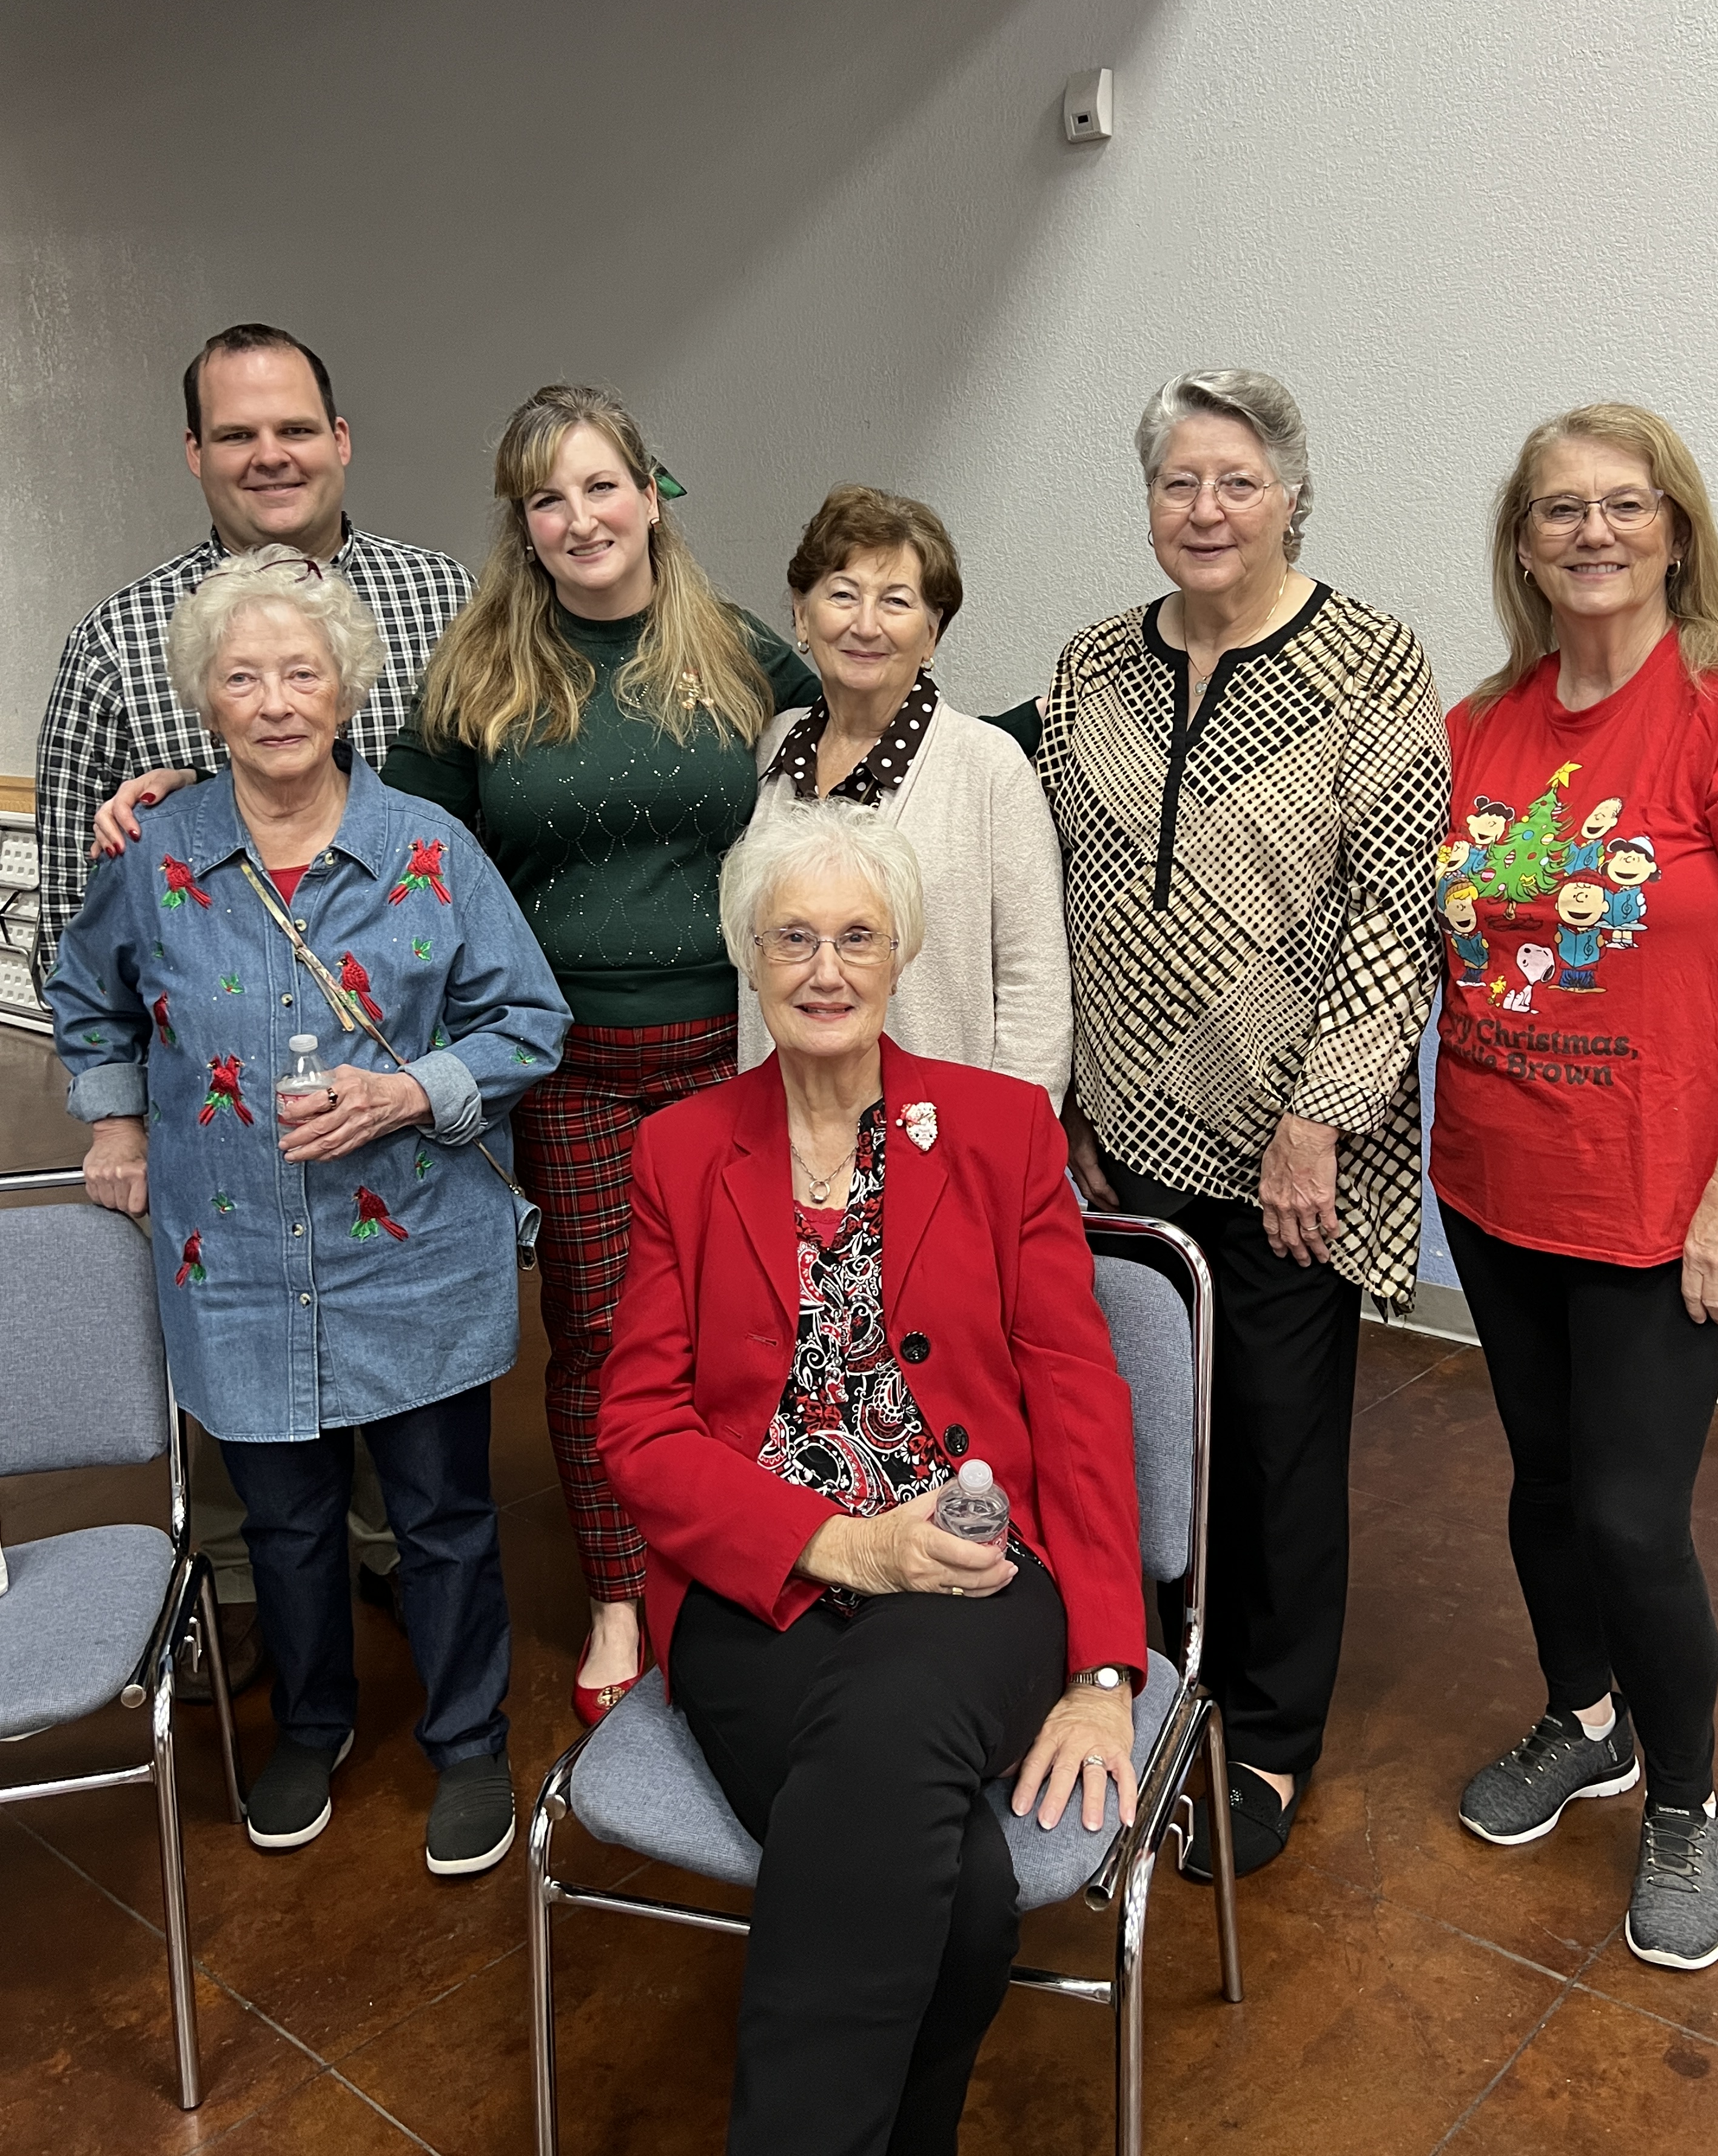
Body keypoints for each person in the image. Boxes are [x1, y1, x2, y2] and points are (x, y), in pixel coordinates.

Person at [600, 801, 1144, 2156]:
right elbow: (640, 1430)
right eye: (793, 937)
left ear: (901, 953)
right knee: (958, 1900)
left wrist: (1102, 1671)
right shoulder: (680, 1149)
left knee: (892, 1738)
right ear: (749, 955)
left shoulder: (1001, 1129)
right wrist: (837, 1546)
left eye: (857, 937)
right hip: (754, 1587)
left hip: (972, 1573)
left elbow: (1078, 1400)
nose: (825, 968)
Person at [47, 551, 568, 1873]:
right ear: (205, 702)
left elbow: (528, 1020)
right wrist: (114, 1119)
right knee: (282, 1521)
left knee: (441, 1516)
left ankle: (467, 1740)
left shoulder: (429, 851)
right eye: (243, 677)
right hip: (234, 1256)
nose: (276, 701)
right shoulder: (159, 854)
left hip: (413, 1250)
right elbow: (89, 993)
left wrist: (407, 1092)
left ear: (346, 688)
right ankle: (312, 1724)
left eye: (300, 672)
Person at [1431, 402, 1718, 1973]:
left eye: (1624, 504)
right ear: (1522, 545)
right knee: (1544, 1485)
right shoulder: (1484, 726)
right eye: (1559, 510)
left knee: (1630, 1514)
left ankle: (1684, 1800)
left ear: (1676, 528)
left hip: (1664, 1202)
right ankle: (1582, 1719)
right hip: (1496, 1179)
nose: (1592, 532)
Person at [1038, 367, 1448, 1880]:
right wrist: (1071, 1093)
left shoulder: (1369, 660)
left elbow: (1396, 914)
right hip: (1120, 1128)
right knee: (1144, 1423)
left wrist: (1320, 1118)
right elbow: (1059, 888)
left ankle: (1268, 1731)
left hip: (1291, 1145)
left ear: (1291, 497)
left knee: (1276, 1439)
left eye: (1237, 482)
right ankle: (1146, 1681)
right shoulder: (1092, 666)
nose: (1205, 510)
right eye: (1178, 483)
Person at [42, 321, 477, 1688]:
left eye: (294, 427)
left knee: (429, 1456)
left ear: (340, 439)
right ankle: (263, 1606)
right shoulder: (119, 643)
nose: (269, 454)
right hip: (232, 1132)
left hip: (404, 1118)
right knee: (263, 1433)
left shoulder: (445, 597)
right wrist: (115, 1112)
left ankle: (401, 1569)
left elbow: (490, 807)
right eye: (236, 433)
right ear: (195, 453)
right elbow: (73, 914)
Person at [381, 384, 818, 1727]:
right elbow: (391, 848)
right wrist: (200, 791)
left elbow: (872, 733)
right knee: (601, 1332)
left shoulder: (733, 648)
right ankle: (622, 1591)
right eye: (547, 498)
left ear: (650, 494)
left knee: (751, 1319)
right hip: (565, 1062)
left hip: (734, 1048)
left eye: (600, 486)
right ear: (521, 524)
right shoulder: (478, 674)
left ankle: (740, 1560)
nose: (579, 519)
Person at [738, 483, 1072, 1103]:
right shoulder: (771, 752)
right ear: (802, 615)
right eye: (843, 595)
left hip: (945, 1132)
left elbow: (1036, 987)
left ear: (931, 633)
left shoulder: (989, 767)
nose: (866, 625)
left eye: (895, 601)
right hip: (782, 1122)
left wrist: (1009, 1138)